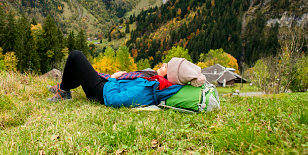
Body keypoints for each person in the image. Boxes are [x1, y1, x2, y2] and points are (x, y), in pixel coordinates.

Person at [47, 50, 206, 108]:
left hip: (101, 92)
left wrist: (114, 79)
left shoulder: (148, 89)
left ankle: (64, 92)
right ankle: (65, 85)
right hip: (107, 85)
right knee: (81, 69)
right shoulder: (155, 81)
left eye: (167, 65)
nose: (164, 63)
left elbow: (114, 100)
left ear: (169, 75)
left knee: (75, 56)